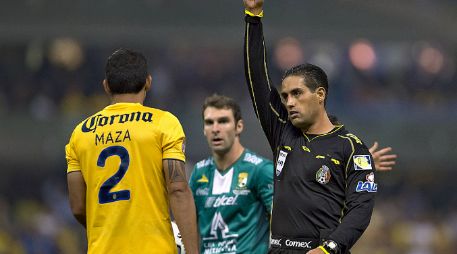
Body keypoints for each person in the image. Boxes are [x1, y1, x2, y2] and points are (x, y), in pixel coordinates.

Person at [243, 1, 379, 253]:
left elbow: (361, 209)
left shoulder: (350, 147)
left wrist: (329, 248)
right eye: (285, 96)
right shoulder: (282, 130)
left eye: (297, 93)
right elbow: (257, 78)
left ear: (320, 94)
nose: (289, 102)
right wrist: (253, 17)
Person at [65, 48, 199, 254]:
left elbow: (77, 206)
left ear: (106, 86)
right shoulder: (164, 123)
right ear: (148, 82)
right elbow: (178, 189)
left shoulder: (81, 133)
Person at [189, 94, 274, 254]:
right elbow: (188, 224)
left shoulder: (260, 170)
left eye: (223, 121)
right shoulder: (198, 172)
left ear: (239, 126)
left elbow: (281, 223)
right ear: (203, 129)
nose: (215, 129)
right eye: (209, 123)